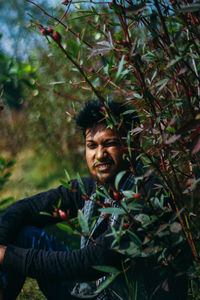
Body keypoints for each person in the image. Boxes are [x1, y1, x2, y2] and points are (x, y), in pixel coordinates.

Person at [0, 100, 189, 300]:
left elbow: (88, 263)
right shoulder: (94, 189)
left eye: (110, 143)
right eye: (92, 145)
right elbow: (23, 209)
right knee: (22, 233)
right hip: (95, 290)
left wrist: (8, 256)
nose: (99, 155)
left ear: (132, 144)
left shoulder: (147, 195)